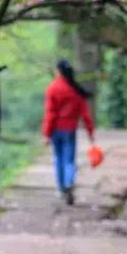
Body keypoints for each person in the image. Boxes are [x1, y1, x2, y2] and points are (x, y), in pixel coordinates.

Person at [42, 59, 95, 205]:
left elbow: (50, 113)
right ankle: (69, 182)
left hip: (55, 130)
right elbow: (85, 114)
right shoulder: (75, 90)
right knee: (69, 160)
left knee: (58, 158)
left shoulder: (52, 88)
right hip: (69, 130)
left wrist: (46, 134)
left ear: (58, 71)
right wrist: (90, 132)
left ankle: (61, 188)